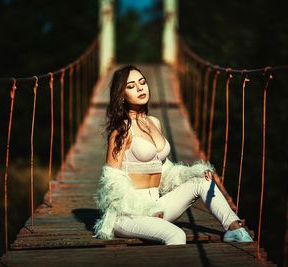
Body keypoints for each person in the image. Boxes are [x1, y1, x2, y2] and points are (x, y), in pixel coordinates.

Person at [93, 65, 253, 245]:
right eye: (131, 86)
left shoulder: (153, 122)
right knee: (177, 235)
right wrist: (146, 210)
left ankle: (235, 229)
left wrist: (190, 174)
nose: (140, 88)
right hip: (128, 213)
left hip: (157, 205)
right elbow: (112, 183)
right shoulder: (121, 130)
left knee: (202, 180)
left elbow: (163, 169)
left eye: (142, 82)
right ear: (122, 95)